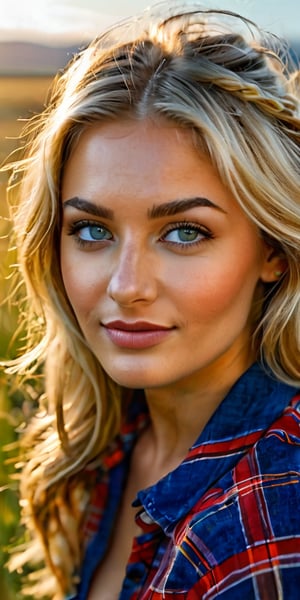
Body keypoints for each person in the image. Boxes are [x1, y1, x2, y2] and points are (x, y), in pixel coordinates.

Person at [4, 1, 300, 599]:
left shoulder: (273, 520)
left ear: (273, 250)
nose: (125, 285)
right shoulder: (108, 439)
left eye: (185, 232)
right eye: (93, 231)